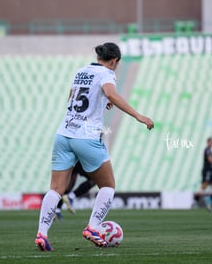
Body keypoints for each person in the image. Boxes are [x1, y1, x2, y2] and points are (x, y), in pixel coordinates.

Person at [34, 42, 154, 251]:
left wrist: (98, 104)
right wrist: (138, 116)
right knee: (108, 185)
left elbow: (73, 98)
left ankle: (42, 234)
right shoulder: (107, 74)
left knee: (56, 189)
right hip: (86, 137)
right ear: (114, 61)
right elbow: (111, 94)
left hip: (63, 133)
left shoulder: (81, 71)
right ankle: (93, 226)